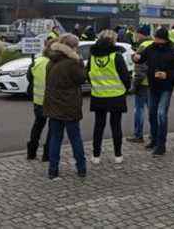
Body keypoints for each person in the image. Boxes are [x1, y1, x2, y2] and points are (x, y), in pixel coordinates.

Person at [132, 27, 174, 156]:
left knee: (161, 114)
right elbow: (141, 58)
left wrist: (166, 74)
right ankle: (154, 140)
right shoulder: (151, 48)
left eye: (157, 38)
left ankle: (161, 145)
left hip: (166, 87)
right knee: (152, 114)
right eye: (155, 38)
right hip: (153, 86)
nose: (155, 40)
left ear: (164, 39)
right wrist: (136, 57)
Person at [44, 34, 87, 179]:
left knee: (55, 138)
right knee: (75, 138)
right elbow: (82, 79)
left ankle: (52, 170)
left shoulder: (51, 62)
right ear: (72, 47)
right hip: (69, 106)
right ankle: (81, 168)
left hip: (53, 105)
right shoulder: (72, 63)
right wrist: (80, 61)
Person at [86, 30, 130, 164]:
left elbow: (88, 73)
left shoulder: (92, 57)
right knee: (116, 126)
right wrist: (125, 89)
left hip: (98, 95)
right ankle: (118, 155)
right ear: (112, 41)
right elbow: (125, 76)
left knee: (98, 126)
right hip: (116, 95)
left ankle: (96, 156)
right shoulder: (116, 56)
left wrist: (96, 84)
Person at [25, 38, 56, 161]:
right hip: (53, 100)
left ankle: (31, 152)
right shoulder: (56, 62)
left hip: (38, 100)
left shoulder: (37, 61)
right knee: (53, 128)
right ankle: (47, 154)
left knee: (38, 125)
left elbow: (29, 78)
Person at [127, 25, 153, 143]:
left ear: (141, 34)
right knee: (152, 110)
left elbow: (140, 69)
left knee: (139, 110)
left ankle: (138, 135)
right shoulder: (154, 44)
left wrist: (134, 85)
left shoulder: (143, 46)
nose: (135, 36)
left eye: (137, 33)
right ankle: (153, 134)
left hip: (143, 83)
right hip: (153, 82)